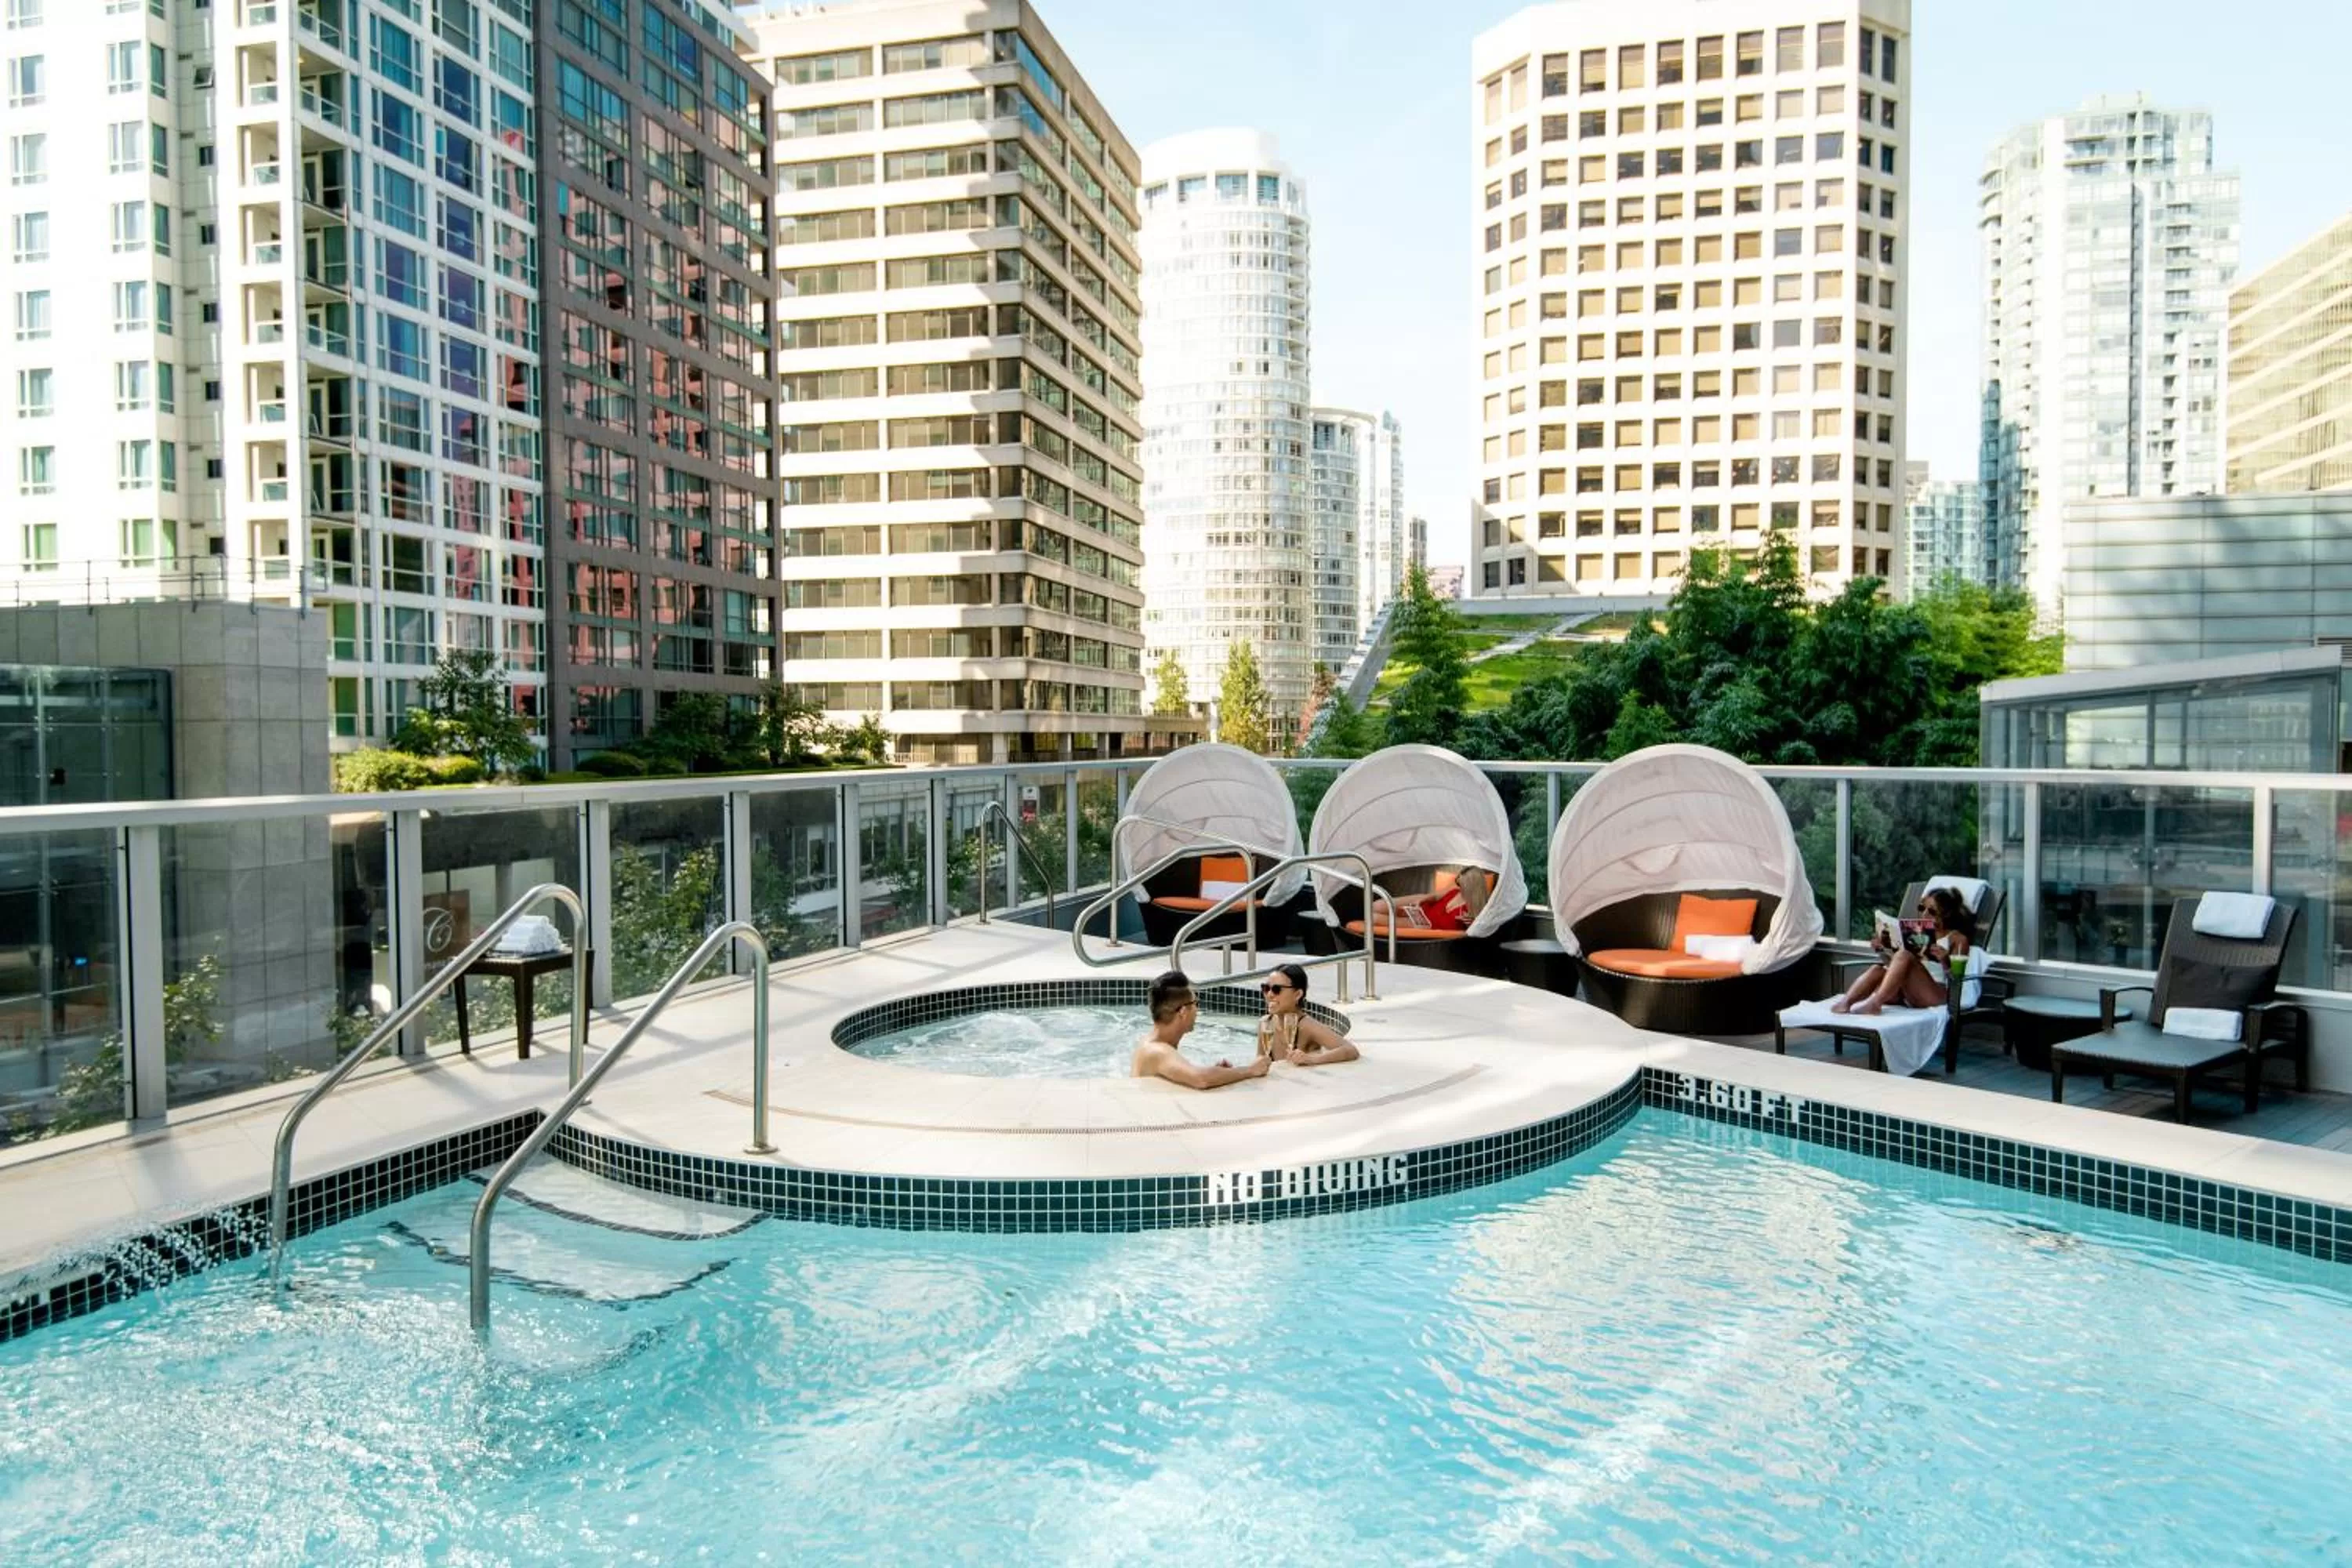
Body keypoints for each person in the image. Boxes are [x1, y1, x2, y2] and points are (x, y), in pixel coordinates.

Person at [1831, 885, 1976, 1016]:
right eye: (1921, 908)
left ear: (1946, 914)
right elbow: (1896, 965)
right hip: (1907, 991)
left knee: (1904, 955)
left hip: (1935, 993)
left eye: (1931, 911)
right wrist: (1883, 950)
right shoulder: (1915, 932)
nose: (1924, 914)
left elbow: (1958, 981)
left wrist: (1945, 961)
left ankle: (1875, 1004)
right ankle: (1846, 1002)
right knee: (1877, 969)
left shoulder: (1957, 939)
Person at [1132, 970, 1269, 1089]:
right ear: (1183, 1012)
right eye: (1195, 1003)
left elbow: (1192, 1075)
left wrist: (1218, 1073)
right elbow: (1201, 1079)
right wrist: (1250, 1070)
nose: (1198, 1010)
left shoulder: (1153, 1043)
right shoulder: (1157, 1050)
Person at [1255, 962, 1359, 1067]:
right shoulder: (1266, 1023)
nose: (1269, 995)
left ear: (1297, 995)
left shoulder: (1305, 1025)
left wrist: (1311, 1059)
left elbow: (1350, 1050)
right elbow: (1260, 1059)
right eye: (1266, 988)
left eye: (1277, 989)